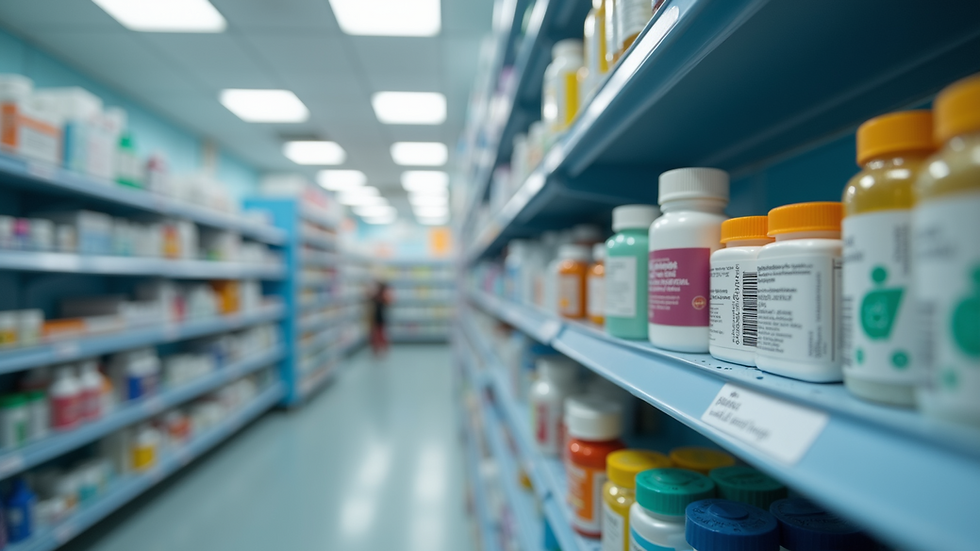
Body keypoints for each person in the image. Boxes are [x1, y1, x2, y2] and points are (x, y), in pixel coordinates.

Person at [369, 281, 392, 357]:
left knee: (380, 334)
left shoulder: (382, 296)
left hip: (380, 317)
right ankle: (378, 349)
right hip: (377, 317)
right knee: (378, 334)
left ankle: (381, 349)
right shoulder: (379, 296)